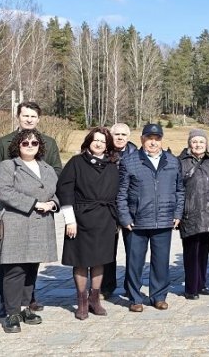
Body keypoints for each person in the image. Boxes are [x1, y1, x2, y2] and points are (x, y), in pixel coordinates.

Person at [0, 101, 62, 318]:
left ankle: (27, 302)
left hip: (40, 218)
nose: (29, 119)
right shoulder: (4, 145)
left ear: (38, 119)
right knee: (11, 264)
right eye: (25, 115)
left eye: (33, 116)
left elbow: (56, 175)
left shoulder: (48, 146)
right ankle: (8, 305)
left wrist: (52, 202)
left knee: (31, 265)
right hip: (12, 216)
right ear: (18, 116)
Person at [117, 123, 185, 312]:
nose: (153, 143)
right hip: (136, 221)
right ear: (142, 140)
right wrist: (124, 217)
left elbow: (180, 190)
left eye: (157, 139)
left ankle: (159, 296)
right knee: (134, 261)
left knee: (161, 261)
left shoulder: (172, 161)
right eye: (149, 139)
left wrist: (177, 213)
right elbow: (121, 193)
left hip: (164, 219)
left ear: (161, 140)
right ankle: (135, 298)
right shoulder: (129, 162)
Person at [57, 127, 120, 320]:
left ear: (108, 145)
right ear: (89, 142)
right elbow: (65, 190)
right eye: (96, 140)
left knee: (100, 260)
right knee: (82, 261)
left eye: (103, 141)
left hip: (105, 220)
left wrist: (116, 219)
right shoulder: (76, 162)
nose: (99, 144)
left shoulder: (112, 165)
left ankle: (95, 299)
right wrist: (70, 220)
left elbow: (116, 194)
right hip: (81, 219)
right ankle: (82, 301)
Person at [178, 129, 209, 300]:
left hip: (208, 214)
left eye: (201, 142)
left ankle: (201, 284)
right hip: (191, 213)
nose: (198, 145)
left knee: (203, 251)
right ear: (189, 143)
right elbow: (178, 189)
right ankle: (191, 288)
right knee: (191, 253)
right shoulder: (181, 162)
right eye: (195, 141)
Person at [101, 122, 136, 298]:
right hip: (108, 209)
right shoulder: (103, 154)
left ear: (128, 137)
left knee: (133, 250)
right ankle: (106, 287)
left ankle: (131, 287)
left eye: (124, 135)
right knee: (107, 250)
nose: (120, 138)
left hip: (130, 208)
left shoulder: (136, 154)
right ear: (110, 136)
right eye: (117, 134)